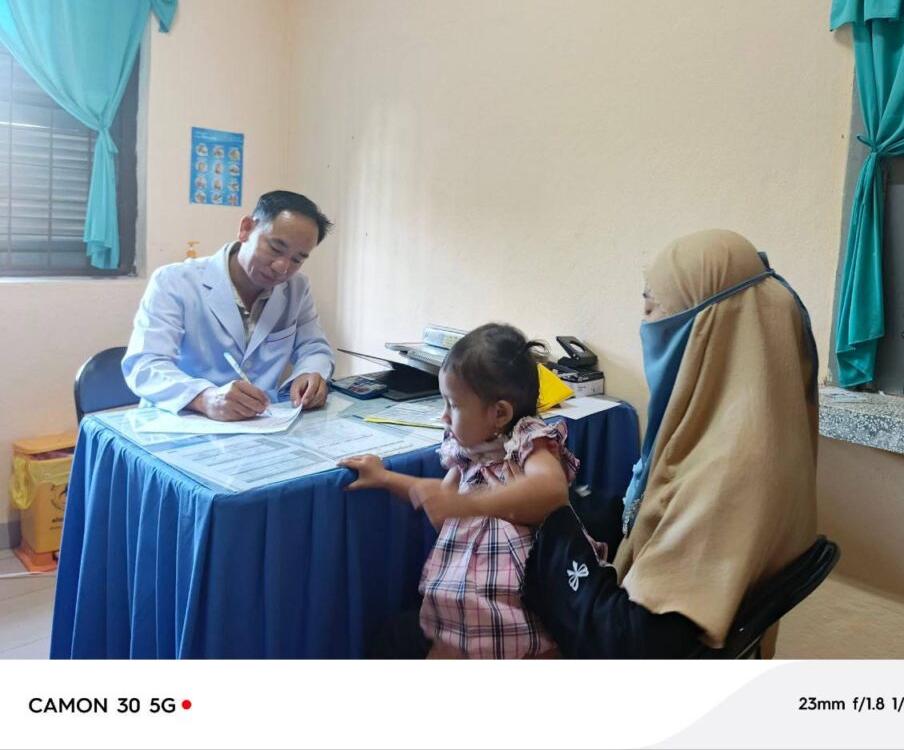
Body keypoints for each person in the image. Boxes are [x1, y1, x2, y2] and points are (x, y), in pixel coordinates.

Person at [520, 229, 819, 658]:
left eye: (652, 308)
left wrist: (553, 522)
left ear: (708, 331)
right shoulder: (745, 429)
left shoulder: (726, 471)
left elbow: (628, 643)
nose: (644, 324)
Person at [340, 323, 584, 658]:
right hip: (462, 611)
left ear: (500, 413)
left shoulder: (527, 440)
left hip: (519, 610)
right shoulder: (467, 452)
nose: (444, 416)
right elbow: (440, 502)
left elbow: (551, 489)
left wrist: (473, 504)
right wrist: (385, 478)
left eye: (453, 405)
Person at [123, 190, 336, 421]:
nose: (282, 267)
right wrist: (204, 398)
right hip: (182, 421)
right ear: (246, 229)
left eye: (297, 259)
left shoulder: (297, 288)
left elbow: (313, 347)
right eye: (276, 248)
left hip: (260, 423)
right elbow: (144, 364)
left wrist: (309, 374)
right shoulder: (174, 281)